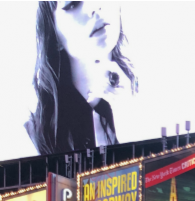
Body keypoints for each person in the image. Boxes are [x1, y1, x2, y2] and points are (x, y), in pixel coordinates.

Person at [27, 0, 137, 155]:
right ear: (54, 34)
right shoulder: (31, 138)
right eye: (72, 4)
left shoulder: (148, 104)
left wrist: (129, 120)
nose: (94, 6)